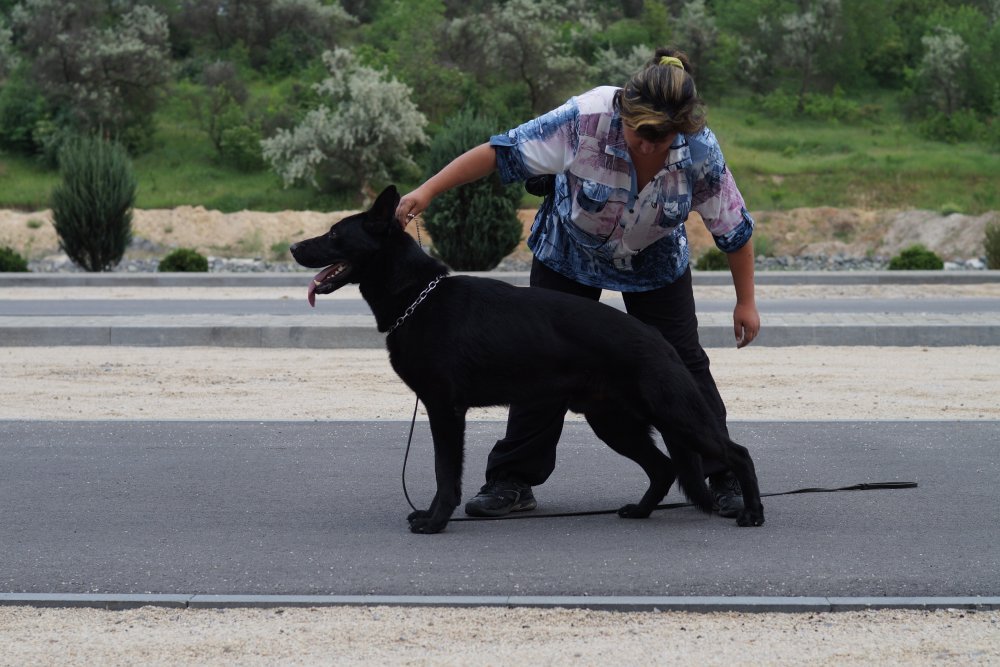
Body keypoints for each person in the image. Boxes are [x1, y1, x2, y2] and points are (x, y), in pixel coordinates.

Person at [395, 47, 760, 519]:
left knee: (683, 363)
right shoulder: (584, 118)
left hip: (654, 263)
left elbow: (734, 228)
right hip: (567, 254)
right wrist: (426, 191)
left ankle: (722, 474)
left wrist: (745, 302)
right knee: (535, 360)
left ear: (682, 128)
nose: (648, 146)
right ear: (622, 112)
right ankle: (513, 480)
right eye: (639, 134)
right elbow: (497, 152)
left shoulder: (700, 151)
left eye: (661, 137)